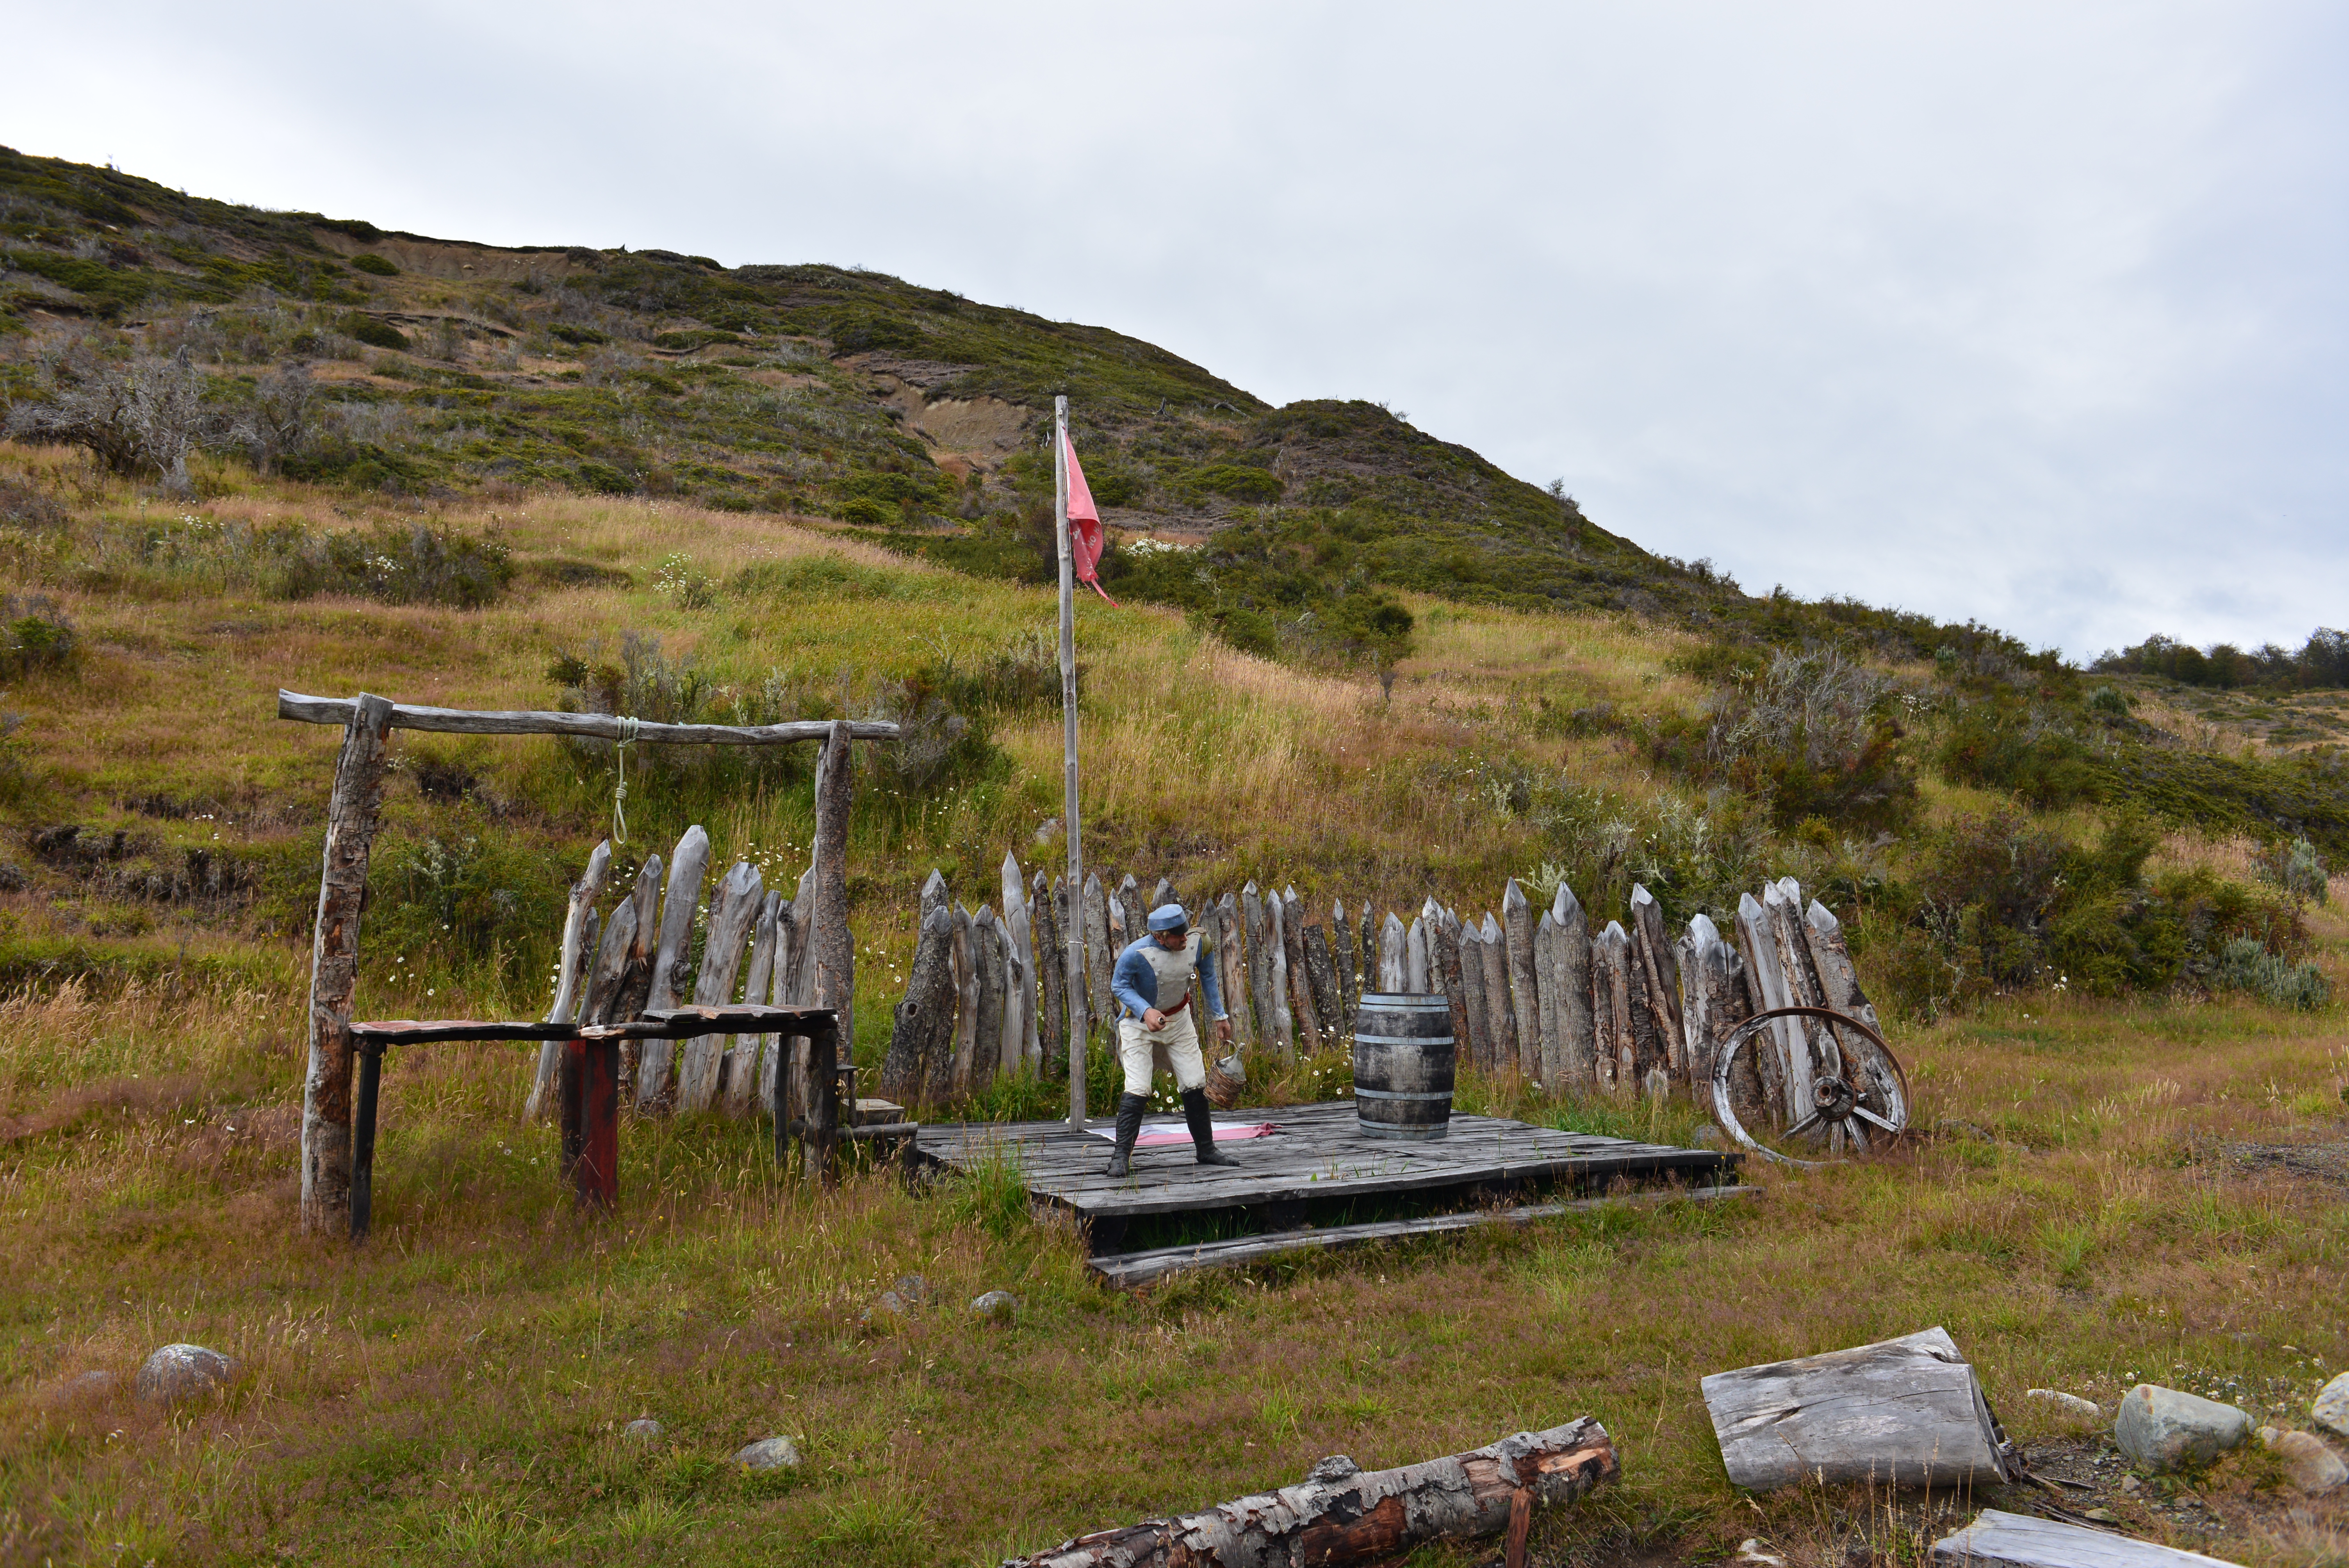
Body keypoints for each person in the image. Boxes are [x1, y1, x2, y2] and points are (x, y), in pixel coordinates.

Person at [1105, 902, 1238, 1176]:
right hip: (1138, 1026)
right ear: (1159, 937)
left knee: (1195, 1082)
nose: (1184, 940)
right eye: (1178, 936)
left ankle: (1207, 1149)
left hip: (1179, 1022)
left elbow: (1209, 976)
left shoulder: (1200, 943)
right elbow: (1119, 985)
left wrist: (1220, 1016)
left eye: (1185, 933)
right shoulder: (1134, 954)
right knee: (1139, 1087)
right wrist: (1145, 1011)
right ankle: (1120, 1158)